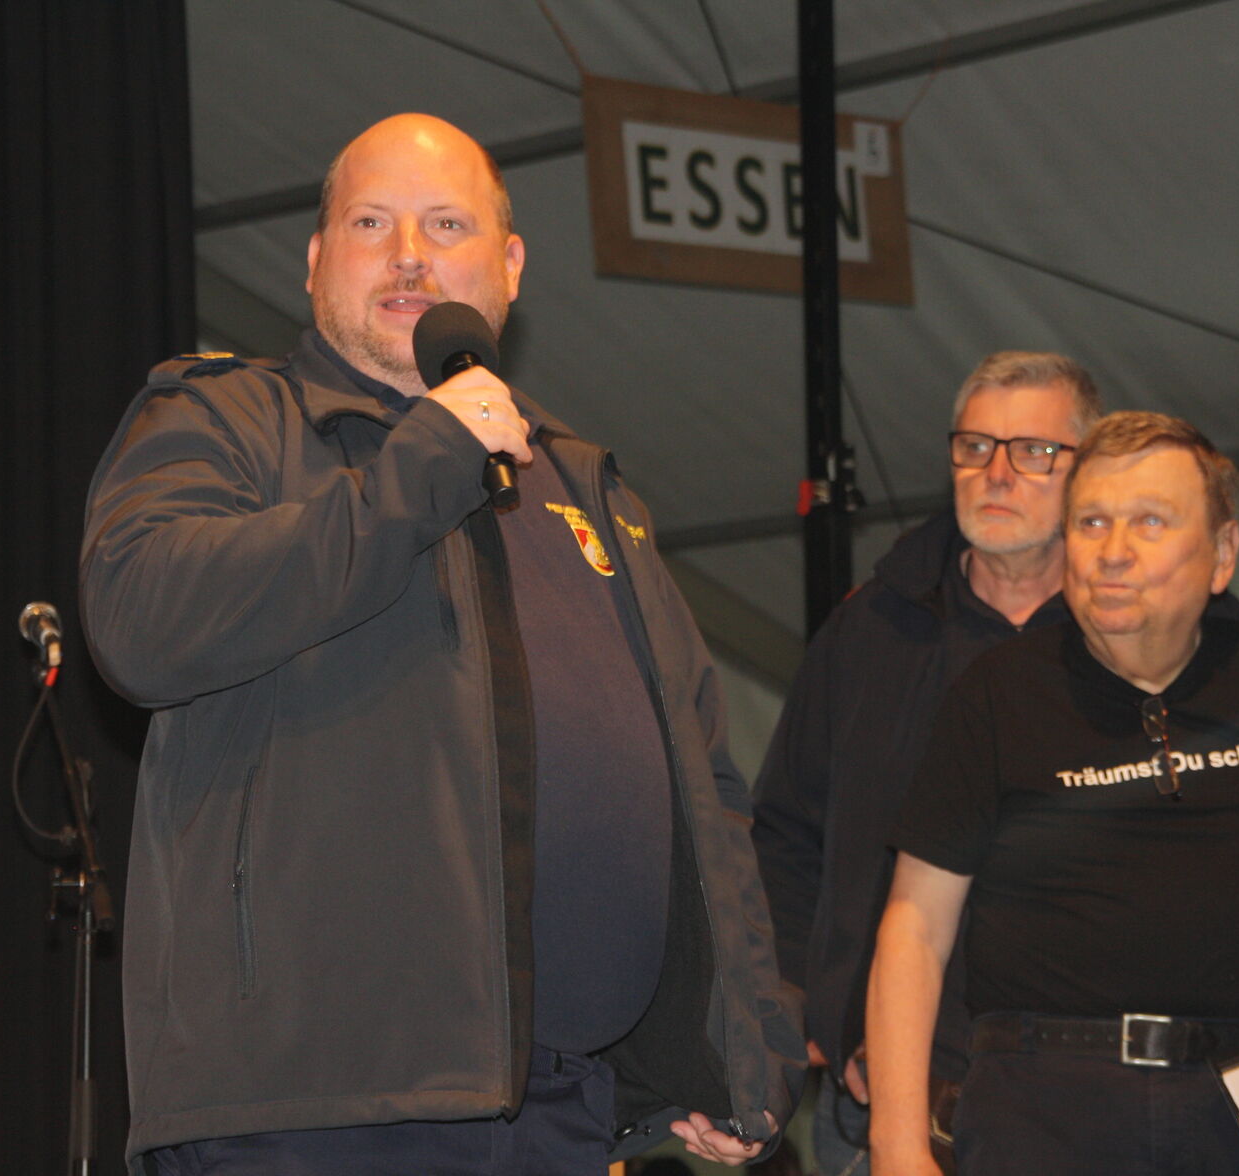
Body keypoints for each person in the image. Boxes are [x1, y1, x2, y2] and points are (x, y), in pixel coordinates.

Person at [79, 113, 804, 1176]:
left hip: (555, 1105)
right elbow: (141, 622)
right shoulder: (229, 420)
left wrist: (744, 1039)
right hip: (313, 1105)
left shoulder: (583, 485)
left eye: (447, 225)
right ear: (316, 260)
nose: (410, 254)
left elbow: (705, 785)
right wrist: (425, 462)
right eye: (371, 222)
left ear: (509, 268)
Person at [865, 411, 1239, 1175]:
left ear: (1223, 553)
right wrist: (897, 1145)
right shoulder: (997, 694)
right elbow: (915, 929)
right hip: (1046, 1112)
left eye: (1150, 521)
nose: (1114, 551)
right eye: (1092, 522)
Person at [751, 351, 1105, 1174]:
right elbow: (785, 835)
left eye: (1033, 451)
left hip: (1096, 1104)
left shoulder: (1132, 634)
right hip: (887, 1100)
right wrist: (818, 1008)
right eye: (975, 447)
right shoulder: (871, 631)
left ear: (1089, 470)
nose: (997, 473)